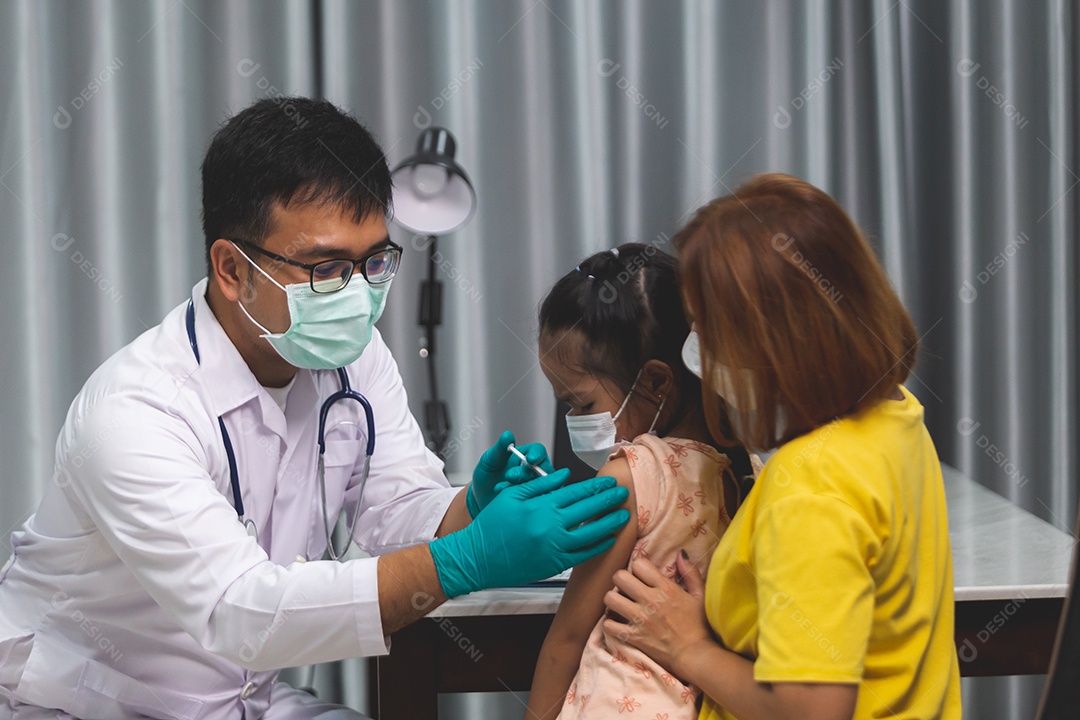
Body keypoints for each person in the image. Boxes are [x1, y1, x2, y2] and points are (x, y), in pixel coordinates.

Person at [0, 98, 629, 720]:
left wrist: (466, 512)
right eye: (326, 268)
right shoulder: (135, 412)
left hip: (242, 702)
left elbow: (390, 509)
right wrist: (467, 559)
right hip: (79, 702)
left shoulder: (355, 357)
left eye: (374, 261)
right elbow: (241, 610)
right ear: (231, 269)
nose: (356, 296)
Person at [603, 174, 962, 720]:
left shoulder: (812, 487)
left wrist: (689, 647)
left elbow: (811, 712)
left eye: (706, 328)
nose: (696, 350)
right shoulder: (895, 415)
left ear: (774, 337)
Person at [526, 245, 756, 720]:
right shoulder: (746, 470)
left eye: (583, 404)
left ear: (655, 382)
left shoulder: (629, 475)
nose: (574, 420)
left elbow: (567, 638)